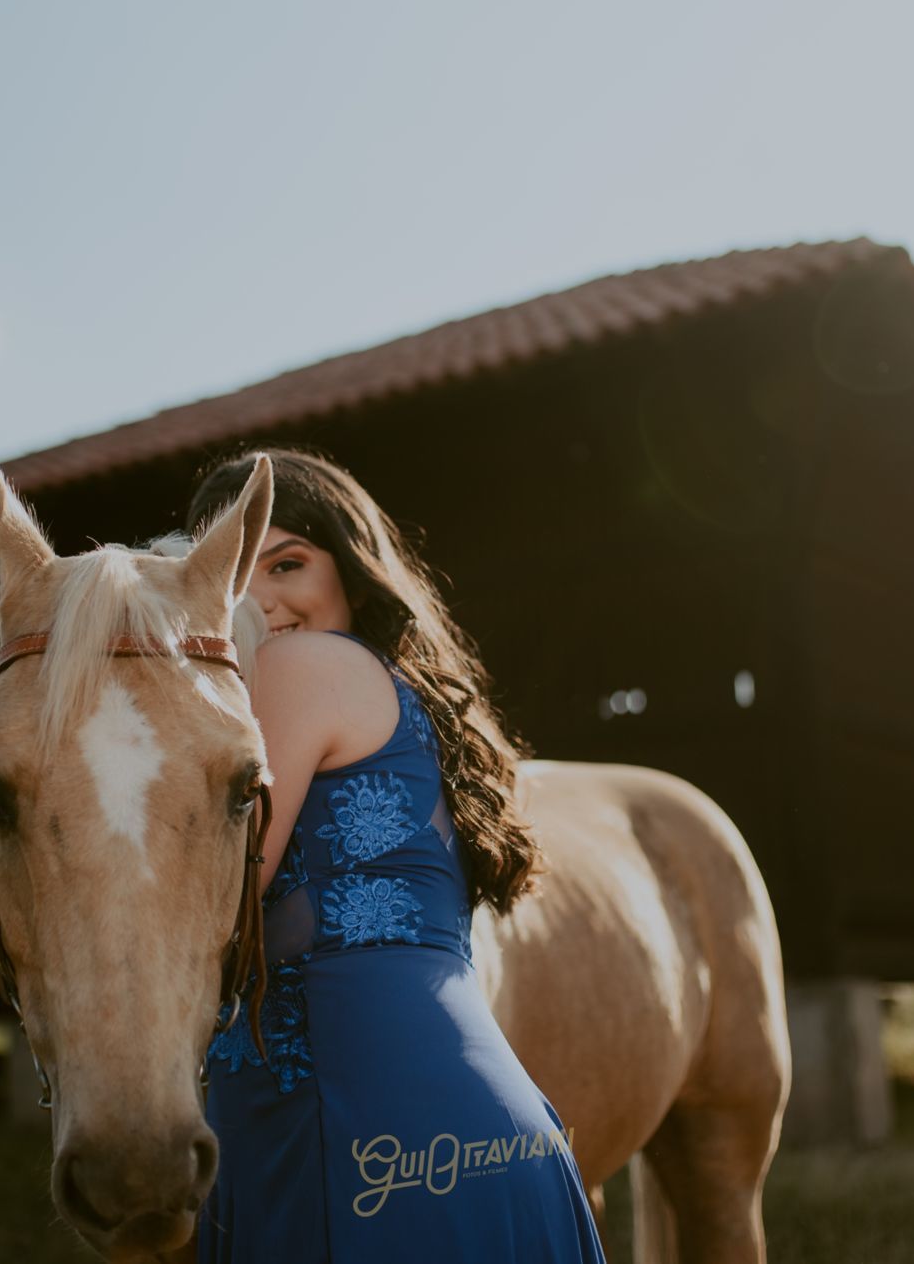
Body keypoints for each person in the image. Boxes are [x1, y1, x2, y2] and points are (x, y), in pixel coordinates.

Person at [184, 447, 606, 1264]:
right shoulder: (395, 694)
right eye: (231, 575)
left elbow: (211, 908)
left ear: (349, 566)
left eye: (288, 562)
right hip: (478, 1148)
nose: (259, 601)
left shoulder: (299, 668)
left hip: (366, 1156)